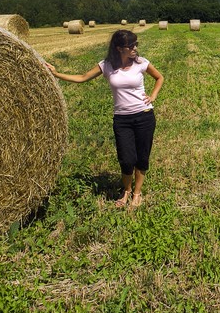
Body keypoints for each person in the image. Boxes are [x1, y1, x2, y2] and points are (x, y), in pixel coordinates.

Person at [45, 29, 164, 209]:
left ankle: (137, 193)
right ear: (118, 48)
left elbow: (159, 77)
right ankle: (126, 190)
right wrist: (57, 74)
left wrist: (153, 95)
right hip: (122, 119)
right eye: (130, 45)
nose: (135, 48)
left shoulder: (141, 62)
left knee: (142, 157)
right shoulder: (107, 65)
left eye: (135, 44)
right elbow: (82, 77)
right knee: (126, 159)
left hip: (144, 115)